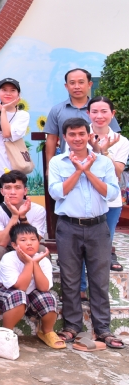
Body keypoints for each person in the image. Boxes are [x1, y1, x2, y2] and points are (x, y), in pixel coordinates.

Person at [49, 117, 124, 349]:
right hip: (68, 226)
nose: (77, 138)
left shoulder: (103, 162)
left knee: (99, 280)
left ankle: (103, 330)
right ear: (64, 137)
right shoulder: (57, 162)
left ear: (89, 136)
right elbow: (56, 192)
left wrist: (88, 171)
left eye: (82, 133)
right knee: (70, 279)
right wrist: (77, 171)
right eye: (72, 134)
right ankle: (72, 326)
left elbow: (112, 193)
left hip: (98, 227)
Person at [0, 224, 64, 350]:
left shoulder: (43, 260)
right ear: (14, 245)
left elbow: (44, 288)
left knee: (49, 298)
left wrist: (36, 263)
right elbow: (20, 287)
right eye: (23, 240)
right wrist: (29, 263)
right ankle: (6, 333)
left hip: (32, 293)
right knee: (19, 296)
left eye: (33, 239)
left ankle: (47, 331)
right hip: (7, 291)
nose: (29, 243)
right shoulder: (8, 258)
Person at [44, 68, 121, 166]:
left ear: (89, 84)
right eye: (72, 83)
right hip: (67, 165)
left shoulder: (101, 109)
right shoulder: (57, 110)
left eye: (81, 82)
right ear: (66, 86)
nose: (77, 87)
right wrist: (49, 166)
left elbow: (115, 136)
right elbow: (51, 139)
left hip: (99, 165)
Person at [0, 170, 47, 285]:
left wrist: (22, 217)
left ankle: (41, 286)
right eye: (8, 188)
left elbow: (36, 240)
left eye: (17, 187)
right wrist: (15, 216)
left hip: (28, 247)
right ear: (2, 191)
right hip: (7, 248)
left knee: (41, 249)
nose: (13, 192)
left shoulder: (38, 210)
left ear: (25, 191)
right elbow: (2, 242)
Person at [88, 96, 128, 272]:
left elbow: (117, 171)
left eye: (104, 111)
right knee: (82, 241)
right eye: (95, 111)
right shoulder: (79, 136)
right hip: (84, 198)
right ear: (88, 113)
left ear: (112, 114)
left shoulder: (121, 141)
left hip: (110, 200)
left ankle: (100, 280)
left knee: (105, 240)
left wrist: (103, 152)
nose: (99, 116)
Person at [0, 78, 30, 180]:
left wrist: (3, 110)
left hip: (13, 170)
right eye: (4, 90)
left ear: (18, 94)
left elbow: (6, 133)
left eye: (13, 90)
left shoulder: (23, 115)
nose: (8, 93)